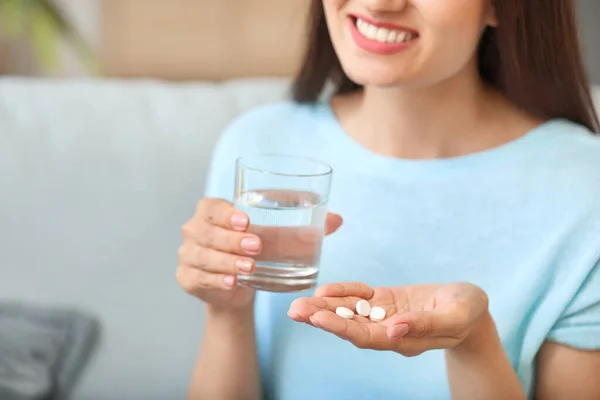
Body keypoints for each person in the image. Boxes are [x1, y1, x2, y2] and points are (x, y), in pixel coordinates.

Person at [176, 0, 600, 399]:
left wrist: (475, 343)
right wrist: (228, 311)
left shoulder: (583, 184)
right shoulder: (259, 145)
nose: (380, 3)